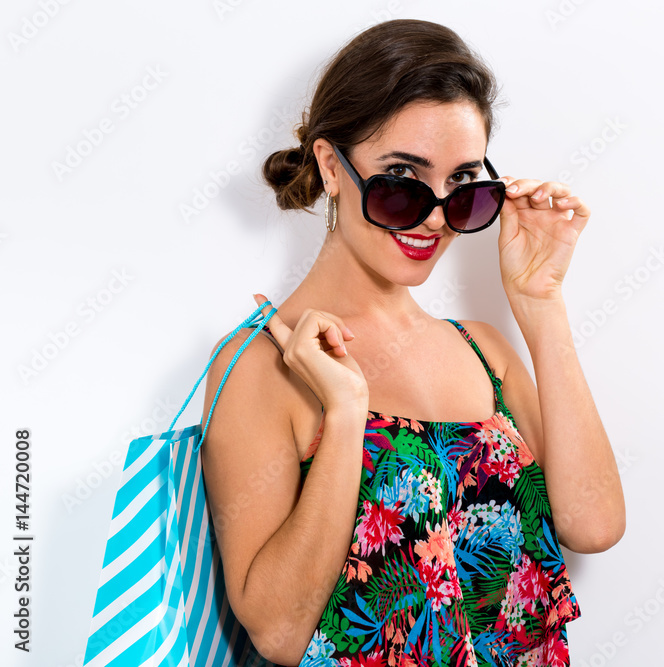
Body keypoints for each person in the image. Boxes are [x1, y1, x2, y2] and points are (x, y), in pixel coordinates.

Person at [200, 18, 625, 667]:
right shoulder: (260, 365)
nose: (433, 214)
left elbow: (593, 525)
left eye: (461, 185)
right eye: (402, 175)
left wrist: (540, 303)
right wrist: (345, 413)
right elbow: (281, 634)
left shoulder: (485, 352)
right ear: (330, 166)